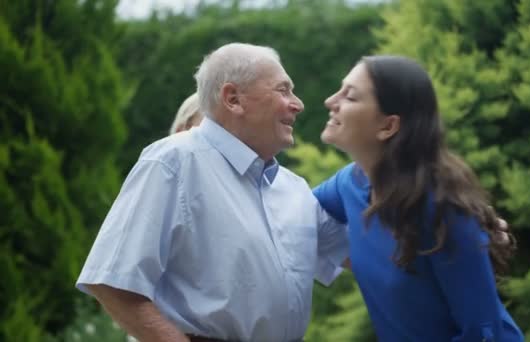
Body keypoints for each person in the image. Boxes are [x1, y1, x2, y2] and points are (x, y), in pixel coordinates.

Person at [76, 43, 350, 342]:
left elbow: (365, 254)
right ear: (233, 99)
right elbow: (111, 282)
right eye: (283, 90)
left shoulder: (294, 189)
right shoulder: (173, 163)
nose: (297, 104)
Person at [313, 56, 524, 341]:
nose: (330, 101)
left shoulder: (441, 208)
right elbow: (290, 209)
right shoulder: (348, 185)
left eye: (349, 96)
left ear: (388, 127)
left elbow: (482, 332)